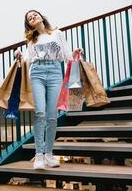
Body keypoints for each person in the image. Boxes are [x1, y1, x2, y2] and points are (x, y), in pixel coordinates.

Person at [14, 10, 83, 169]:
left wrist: (75, 53)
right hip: (37, 73)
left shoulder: (57, 33)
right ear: (29, 24)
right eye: (29, 18)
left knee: (52, 116)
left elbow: (67, 56)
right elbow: (27, 60)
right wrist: (19, 55)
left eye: (34, 15)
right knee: (40, 113)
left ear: (41, 16)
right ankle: (39, 155)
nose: (33, 18)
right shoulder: (32, 41)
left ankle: (49, 155)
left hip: (54, 73)